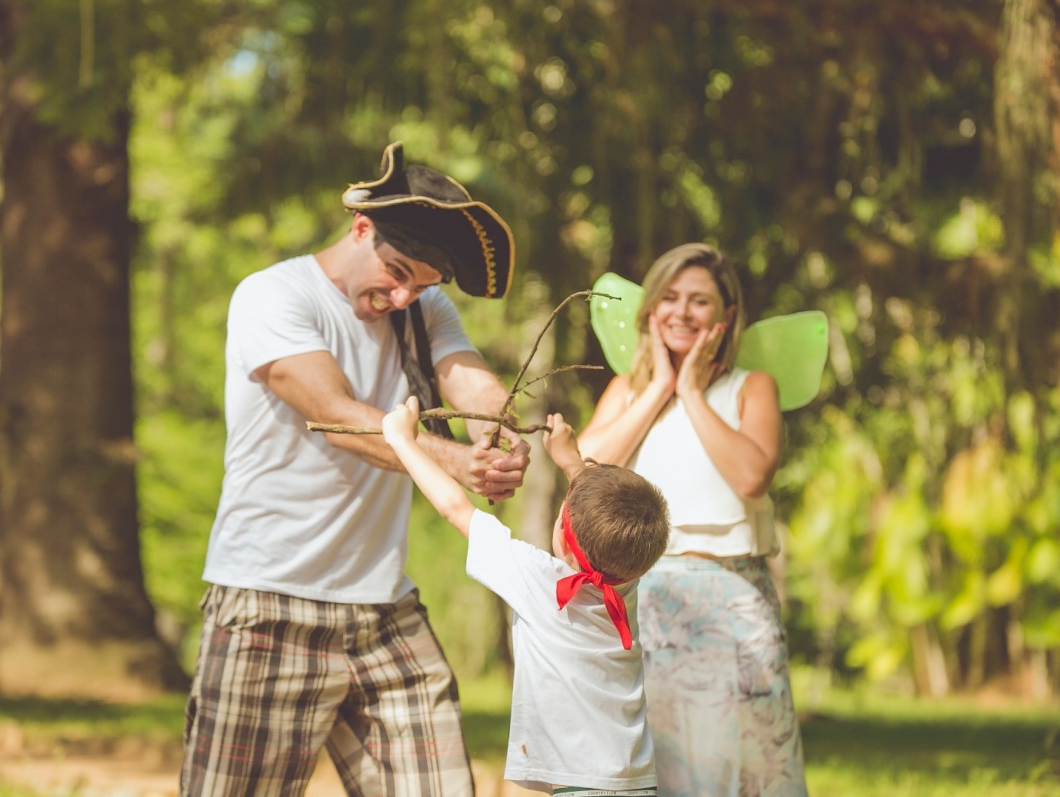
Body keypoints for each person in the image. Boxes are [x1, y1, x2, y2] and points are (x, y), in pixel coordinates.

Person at [180, 141, 532, 796]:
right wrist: (457, 462)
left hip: (381, 609)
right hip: (268, 604)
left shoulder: (424, 309)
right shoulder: (272, 296)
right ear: (360, 228)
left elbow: (469, 380)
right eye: (396, 273)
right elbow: (337, 416)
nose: (402, 296)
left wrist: (494, 430)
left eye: (421, 285)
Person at [578, 242, 809, 796]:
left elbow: (751, 476)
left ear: (725, 319)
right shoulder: (626, 391)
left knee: (748, 759)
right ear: (650, 311)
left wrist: (690, 392)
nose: (682, 311)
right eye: (670, 298)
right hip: (644, 596)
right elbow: (584, 471)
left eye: (699, 301)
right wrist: (659, 388)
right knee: (656, 757)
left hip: (731, 595)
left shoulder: (752, 388)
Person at [382, 396, 671, 797]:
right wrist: (571, 460)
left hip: (581, 787)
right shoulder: (625, 585)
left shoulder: (537, 579)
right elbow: (594, 528)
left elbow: (455, 508)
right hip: (636, 779)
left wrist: (402, 441)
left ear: (563, 538)